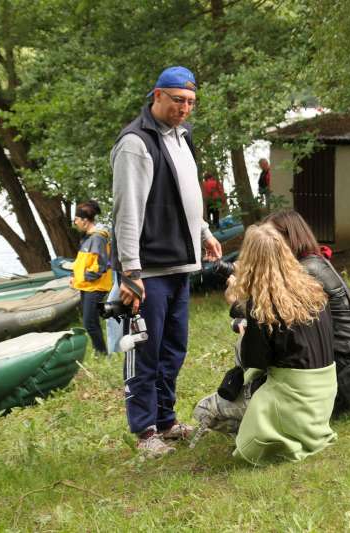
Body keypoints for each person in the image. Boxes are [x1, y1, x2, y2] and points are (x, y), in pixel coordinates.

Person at [111, 65, 222, 458]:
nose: (185, 109)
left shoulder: (183, 137)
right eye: (178, 100)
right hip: (149, 269)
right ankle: (145, 432)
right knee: (146, 350)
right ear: (157, 95)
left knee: (174, 348)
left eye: (191, 102)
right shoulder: (135, 143)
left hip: (180, 265)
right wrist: (130, 272)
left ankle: (167, 420)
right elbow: (127, 213)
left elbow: (188, 195)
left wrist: (205, 234)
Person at [196, 224, 338, 466]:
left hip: (292, 402)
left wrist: (240, 305)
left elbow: (252, 360)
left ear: (249, 260)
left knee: (203, 410)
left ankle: (266, 437)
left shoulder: (262, 308)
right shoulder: (314, 291)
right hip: (322, 400)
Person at [264, 209, 350, 417]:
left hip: (348, 369)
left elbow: (271, 314)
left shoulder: (307, 270)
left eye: (272, 238)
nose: (268, 245)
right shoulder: (315, 261)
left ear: (289, 237)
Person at [71, 200, 113, 356]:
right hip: (86, 285)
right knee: (90, 321)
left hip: (95, 286)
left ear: (85, 220)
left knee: (90, 322)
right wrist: (74, 277)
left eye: (76, 218)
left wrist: (83, 277)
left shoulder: (97, 238)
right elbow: (83, 262)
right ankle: (100, 351)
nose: (75, 222)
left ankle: (101, 352)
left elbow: (100, 265)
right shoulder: (88, 238)